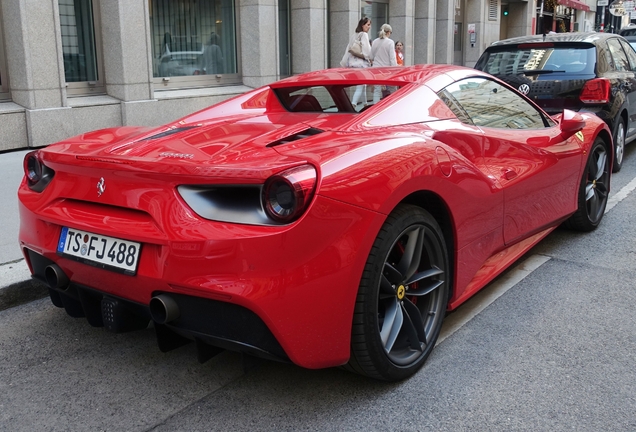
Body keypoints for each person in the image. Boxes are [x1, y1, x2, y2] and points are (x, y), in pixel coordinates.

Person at [340, 17, 372, 107]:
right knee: (361, 86)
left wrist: (344, 63)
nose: (369, 27)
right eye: (368, 25)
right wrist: (370, 57)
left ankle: (365, 103)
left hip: (352, 64)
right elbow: (367, 50)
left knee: (362, 84)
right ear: (363, 25)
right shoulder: (364, 35)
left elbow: (348, 49)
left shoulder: (354, 35)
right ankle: (353, 103)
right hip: (361, 64)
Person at [370, 23, 398, 103]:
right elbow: (392, 58)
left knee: (377, 91)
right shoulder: (390, 42)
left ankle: (375, 109)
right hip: (387, 70)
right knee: (392, 89)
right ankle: (393, 105)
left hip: (376, 69)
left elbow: (371, 56)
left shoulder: (375, 41)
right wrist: (395, 69)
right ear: (389, 32)